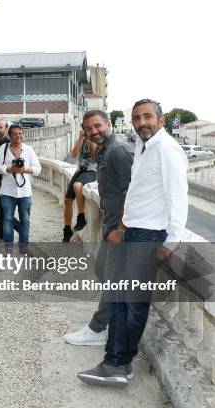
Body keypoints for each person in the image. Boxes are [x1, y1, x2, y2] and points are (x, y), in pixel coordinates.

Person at [78, 99, 188, 387]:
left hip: (149, 236)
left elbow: (177, 196)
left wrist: (172, 241)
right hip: (134, 231)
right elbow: (138, 191)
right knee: (121, 299)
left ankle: (117, 364)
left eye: (147, 117)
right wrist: (124, 223)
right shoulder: (142, 147)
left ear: (161, 120)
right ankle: (115, 362)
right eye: (137, 118)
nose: (141, 123)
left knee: (132, 302)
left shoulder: (167, 150)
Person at [64, 110, 133, 346]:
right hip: (110, 222)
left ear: (108, 124)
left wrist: (121, 229)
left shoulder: (118, 151)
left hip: (120, 227)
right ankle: (114, 318)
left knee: (112, 277)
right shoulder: (104, 151)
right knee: (102, 269)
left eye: (97, 126)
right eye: (88, 129)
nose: (94, 132)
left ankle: (98, 329)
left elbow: (130, 193)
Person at [0, 125, 41, 253]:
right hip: (7, 191)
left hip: (25, 191)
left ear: (23, 134)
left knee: (25, 220)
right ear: (10, 135)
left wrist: (24, 169)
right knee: (7, 219)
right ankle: (8, 247)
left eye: (20, 133)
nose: (18, 136)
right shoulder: (3, 149)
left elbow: (38, 169)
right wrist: (9, 169)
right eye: (15, 134)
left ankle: (23, 247)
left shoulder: (29, 150)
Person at [62, 130, 97, 242]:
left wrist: (90, 140)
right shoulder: (82, 140)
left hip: (92, 171)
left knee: (77, 186)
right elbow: (73, 155)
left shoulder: (97, 139)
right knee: (67, 200)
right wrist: (80, 139)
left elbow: (96, 157)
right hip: (81, 170)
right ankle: (67, 230)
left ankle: (81, 217)